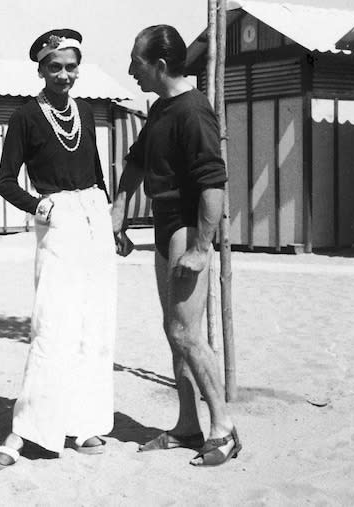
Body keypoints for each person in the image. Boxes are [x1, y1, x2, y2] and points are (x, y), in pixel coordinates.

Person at [111, 25, 242, 467]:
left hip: (188, 226)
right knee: (174, 333)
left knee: (187, 332)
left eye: (137, 62)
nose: (131, 70)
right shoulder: (161, 109)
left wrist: (202, 247)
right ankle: (188, 426)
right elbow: (135, 164)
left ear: (160, 65)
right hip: (165, 228)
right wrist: (117, 217)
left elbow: (213, 184)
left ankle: (223, 429)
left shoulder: (194, 111)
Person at [0, 28, 116, 471]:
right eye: (55, 67)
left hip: (94, 219)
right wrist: (39, 205)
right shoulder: (25, 116)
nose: (65, 75)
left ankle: (83, 423)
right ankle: (27, 431)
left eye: (71, 67)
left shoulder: (84, 111)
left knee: (93, 322)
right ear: (41, 70)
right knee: (53, 324)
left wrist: (112, 221)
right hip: (58, 219)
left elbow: (98, 174)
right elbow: (5, 181)